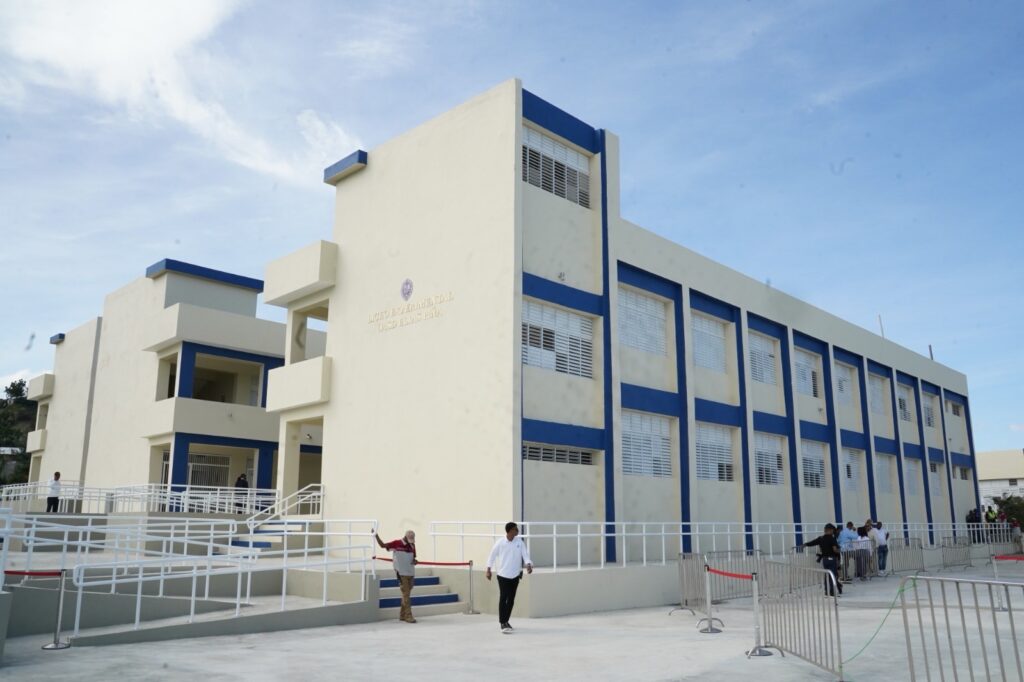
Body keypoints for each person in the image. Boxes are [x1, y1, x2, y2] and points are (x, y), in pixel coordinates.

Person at [486, 521, 533, 633]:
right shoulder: (500, 542)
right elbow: (492, 556)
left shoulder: (519, 542)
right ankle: (502, 622)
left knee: (511, 600)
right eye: (516, 529)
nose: (518, 531)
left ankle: (506, 621)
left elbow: (525, 555)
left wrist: (528, 564)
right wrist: (488, 570)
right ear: (510, 531)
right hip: (503, 575)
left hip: (515, 575)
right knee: (503, 598)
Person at [375, 528, 418, 623]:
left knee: (406, 595)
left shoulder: (412, 545)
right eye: (409, 540)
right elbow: (382, 545)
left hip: (410, 573)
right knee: (406, 595)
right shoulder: (396, 543)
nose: (411, 542)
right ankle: (408, 616)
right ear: (405, 537)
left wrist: (415, 561)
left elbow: (414, 558)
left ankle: (402, 615)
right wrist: (376, 535)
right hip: (401, 573)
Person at [803, 523, 842, 596]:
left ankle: (826, 591)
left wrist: (805, 544)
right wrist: (839, 550)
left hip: (825, 560)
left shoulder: (821, 538)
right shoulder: (832, 538)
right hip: (832, 559)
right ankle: (832, 592)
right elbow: (835, 549)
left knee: (827, 575)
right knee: (832, 575)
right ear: (831, 530)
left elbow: (812, 543)